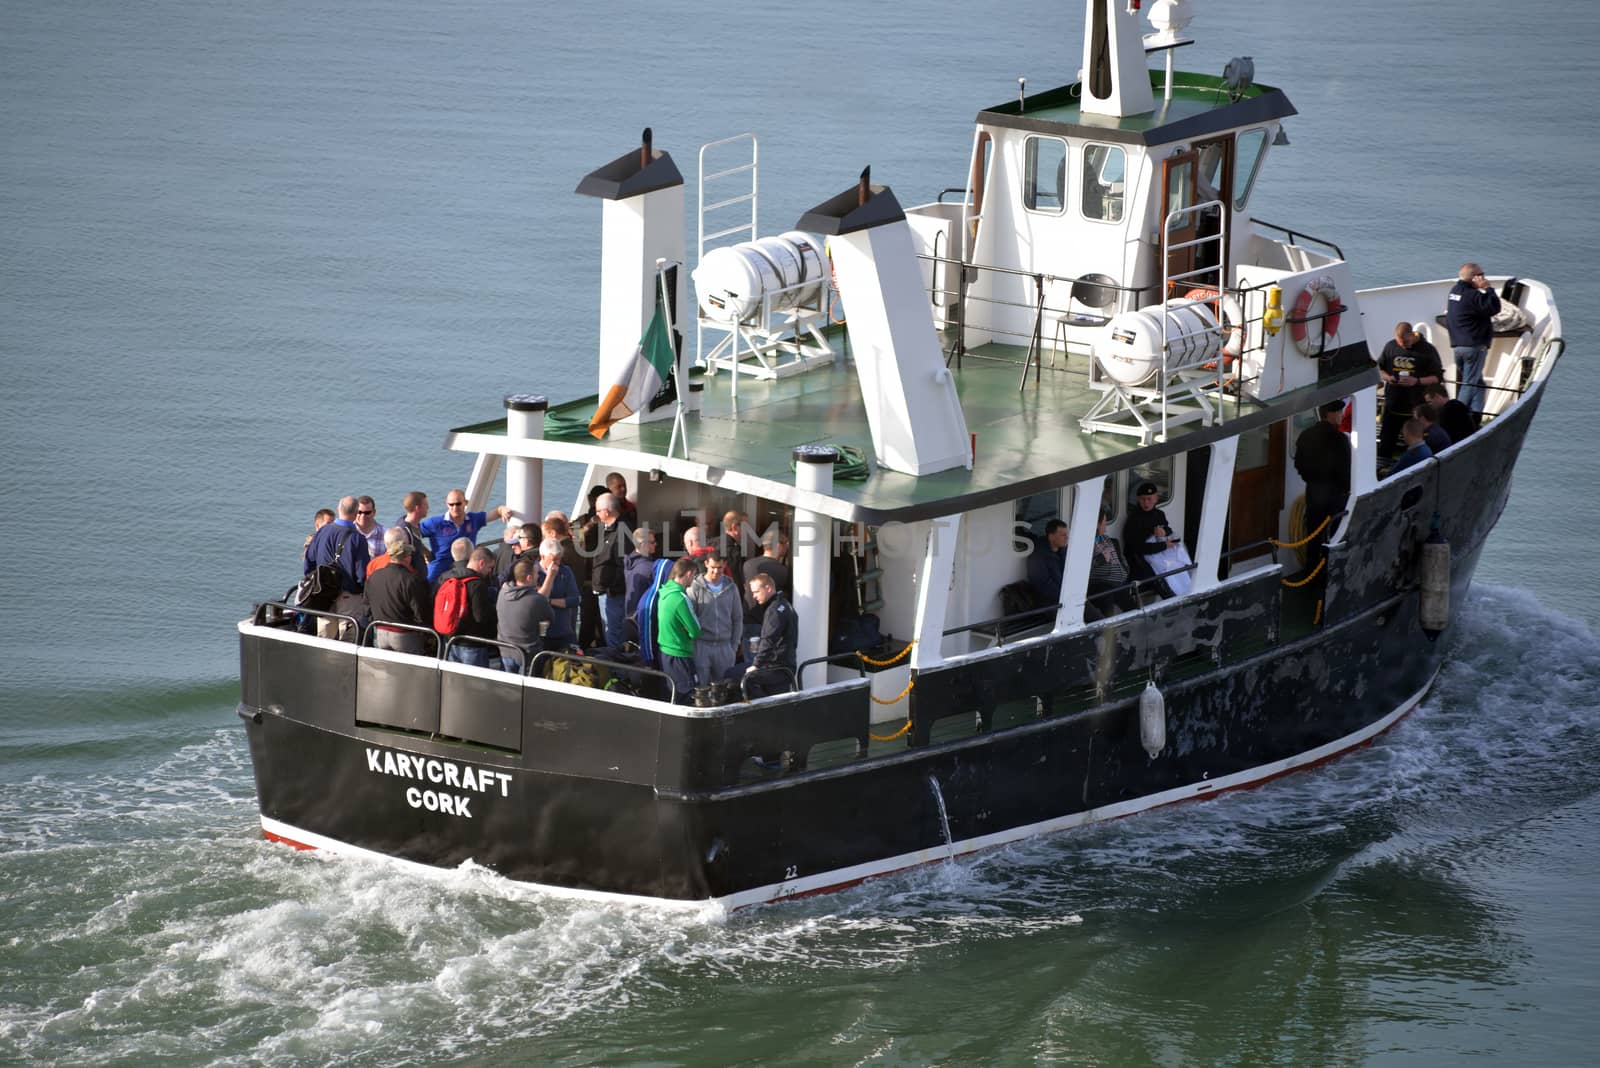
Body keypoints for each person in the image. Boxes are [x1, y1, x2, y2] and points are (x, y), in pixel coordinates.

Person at [1293, 401, 1352, 574]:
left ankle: (1311, 571)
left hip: (1313, 491)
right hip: (1335, 495)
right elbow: (1345, 470)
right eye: (1339, 412)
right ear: (1330, 414)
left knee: (1313, 534)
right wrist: (1344, 489)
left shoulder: (1305, 435)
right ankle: (1328, 572)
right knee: (1334, 535)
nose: (1341, 415)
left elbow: (1299, 464)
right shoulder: (1339, 439)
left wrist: (1311, 479)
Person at [304, 495, 371, 637]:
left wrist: (315, 581)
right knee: (348, 638)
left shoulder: (323, 531)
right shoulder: (358, 539)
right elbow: (361, 575)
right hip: (348, 596)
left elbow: (309, 560)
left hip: (323, 593)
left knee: (324, 637)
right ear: (356, 514)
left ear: (338, 509)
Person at [1376, 322, 1443, 458]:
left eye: (1406, 342)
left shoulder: (1427, 350)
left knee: (1415, 447)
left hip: (1416, 407)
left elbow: (1437, 377)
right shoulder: (1390, 346)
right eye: (1400, 343)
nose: (1404, 345)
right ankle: (1382, 469)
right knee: (1386, 444)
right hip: (1392, 405)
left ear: (1412, 334)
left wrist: (1416, 381)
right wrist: (1388, 378)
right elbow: (1379, 368)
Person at [1445, 262, 1501, 419]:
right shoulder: (1473, 296)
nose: (1484, 277)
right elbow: (1494, 307)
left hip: (1458, 346)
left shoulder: (1454, 291)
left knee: (1477, 383)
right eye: (1481, 274)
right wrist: (1488, 288)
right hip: (1474, 346)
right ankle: (1456, 418)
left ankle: (1475, 415)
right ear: (1474, 277)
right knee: (1469, 384)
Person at [418, 489, 510, 584]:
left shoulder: (473, 519)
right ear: (447, 504)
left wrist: (502, 509)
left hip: (465, 569)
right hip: (439, 569)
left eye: (458, 504)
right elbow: (413, 533)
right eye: (451, 504)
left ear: (465, 503)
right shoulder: (435, 523)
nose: (455, 508)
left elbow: (493, 514)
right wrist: (425, 552)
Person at [365, 527, 433, 655]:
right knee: (410, 671)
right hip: (404, 633)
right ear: (406, 557)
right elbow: (420, 612)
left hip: (379, 631)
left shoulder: (374, 575)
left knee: (384, 669)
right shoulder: (410, 579)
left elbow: (367, 604)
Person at [434, 540, 498, 667]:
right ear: (481, 563)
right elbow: (480, 617)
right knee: (475, 683)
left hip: (449, 639)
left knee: (453, 679)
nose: (489, 572)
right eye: (489, 568)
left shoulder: (445, 577)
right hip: (472, 643)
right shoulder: (477, 584)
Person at [688, 553, 743, 686]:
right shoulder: (694, 587)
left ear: (724, 565)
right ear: (706, 564)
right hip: (701, 646)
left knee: (724, 690)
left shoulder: (731, 587)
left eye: (719, 567)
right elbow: (689, 618)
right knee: (702, 689)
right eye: (713, 567)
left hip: (725, 647)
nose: (716, 571)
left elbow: (738, 618)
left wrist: (733, 646)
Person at [740, 571, 797, 699]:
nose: (753, 596)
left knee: (732, 674)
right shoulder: (785, 604)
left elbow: (769, 639)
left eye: (756, 592)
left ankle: (757, 708)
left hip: (776, 668)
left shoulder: (774, 610)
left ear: (768, 588)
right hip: (784, 666)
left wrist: (756, 665)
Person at [588, 493, 632, 649]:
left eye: (598, 511)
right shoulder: (609, 529)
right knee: (609, 632)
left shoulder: (621, 533)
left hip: (613, 594)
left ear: (606, 511)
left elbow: (624, 565)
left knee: (614, 634)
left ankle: (617, 669)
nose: (597, 515)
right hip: (607, 592)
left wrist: (610, 586)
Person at [655, 557, 701, 703]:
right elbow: (696, 631)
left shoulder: (663, 593)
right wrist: (686, 629)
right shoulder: (680, 598)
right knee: (686, 698)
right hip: (680, 656)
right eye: (693, 576)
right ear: (688, 574)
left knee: (669, 697)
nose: (693, 580)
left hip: (665, 654)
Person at [497, 557, 553, 674]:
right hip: (527, 655)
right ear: (529, 578)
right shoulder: (536, 600)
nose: (538, 576)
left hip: (505, 650)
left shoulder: (503, 593)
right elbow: (551, 619)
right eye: (536, 573)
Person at [1122, 482, 1179, 591]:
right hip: (1141, 561)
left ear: (1156, 498)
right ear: (1138, 499)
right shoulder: (1134, 520)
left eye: (1149, 499)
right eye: (1143, 499)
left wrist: (1164, 532)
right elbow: (1138, 548)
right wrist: (1164, 545)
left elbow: (1168, 529)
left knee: (1179, 565)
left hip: (1160, 556)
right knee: (1163, 576)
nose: (1146, 503)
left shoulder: (1159, 514)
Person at [1087, 508, 1140, 619]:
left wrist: (1125, 569)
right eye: (1104, 522)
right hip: (1101, 583)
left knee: (1127, 601)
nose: (1105, 526)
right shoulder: (1086, 543)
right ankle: (1110, 630)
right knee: (1109, 595)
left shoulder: (1106, 539)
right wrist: (1101, 558)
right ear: (1097, 524)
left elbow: (1119, 558)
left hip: (1118, 581)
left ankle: (1136, 620)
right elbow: (1084, 568)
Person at [535, 536, 580, 652]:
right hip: (540, 633)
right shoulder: (533, 573)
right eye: (554, 560)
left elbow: (574, 600)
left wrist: (550, 601)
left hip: (563, 630)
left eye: (559, 559)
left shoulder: (565, 571)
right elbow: (536, 601)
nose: (557, 563)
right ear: (542, 557)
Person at [742, 527, 791, 625]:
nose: (787, 547)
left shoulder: (748, 564)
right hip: (770, 622)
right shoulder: (783, 571)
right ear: (777, 545)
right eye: (786, 544)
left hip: (748, 619)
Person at [1026, 519, 1068, 606]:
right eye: (1063, 535)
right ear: (1051, 537)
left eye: (1066, 534)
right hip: (1049, 603)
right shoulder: (1037, 555)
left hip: (1066, 596)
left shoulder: (1063, 551)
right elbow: (1043, 584)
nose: (1067, 537)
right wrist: (1065, 596)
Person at [391, 491, 433, 572]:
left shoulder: (415, 525)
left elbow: (416, 541)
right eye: (425, 505)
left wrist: (426, 552)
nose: (428, 507)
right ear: (417, 508)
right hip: (411, 577)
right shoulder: (403, 531)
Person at [623, 523, 659, 618]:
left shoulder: (629, 562)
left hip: (631, 613)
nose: (656, 544)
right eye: (652, 542)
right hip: (643, 614)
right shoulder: (648, 568)